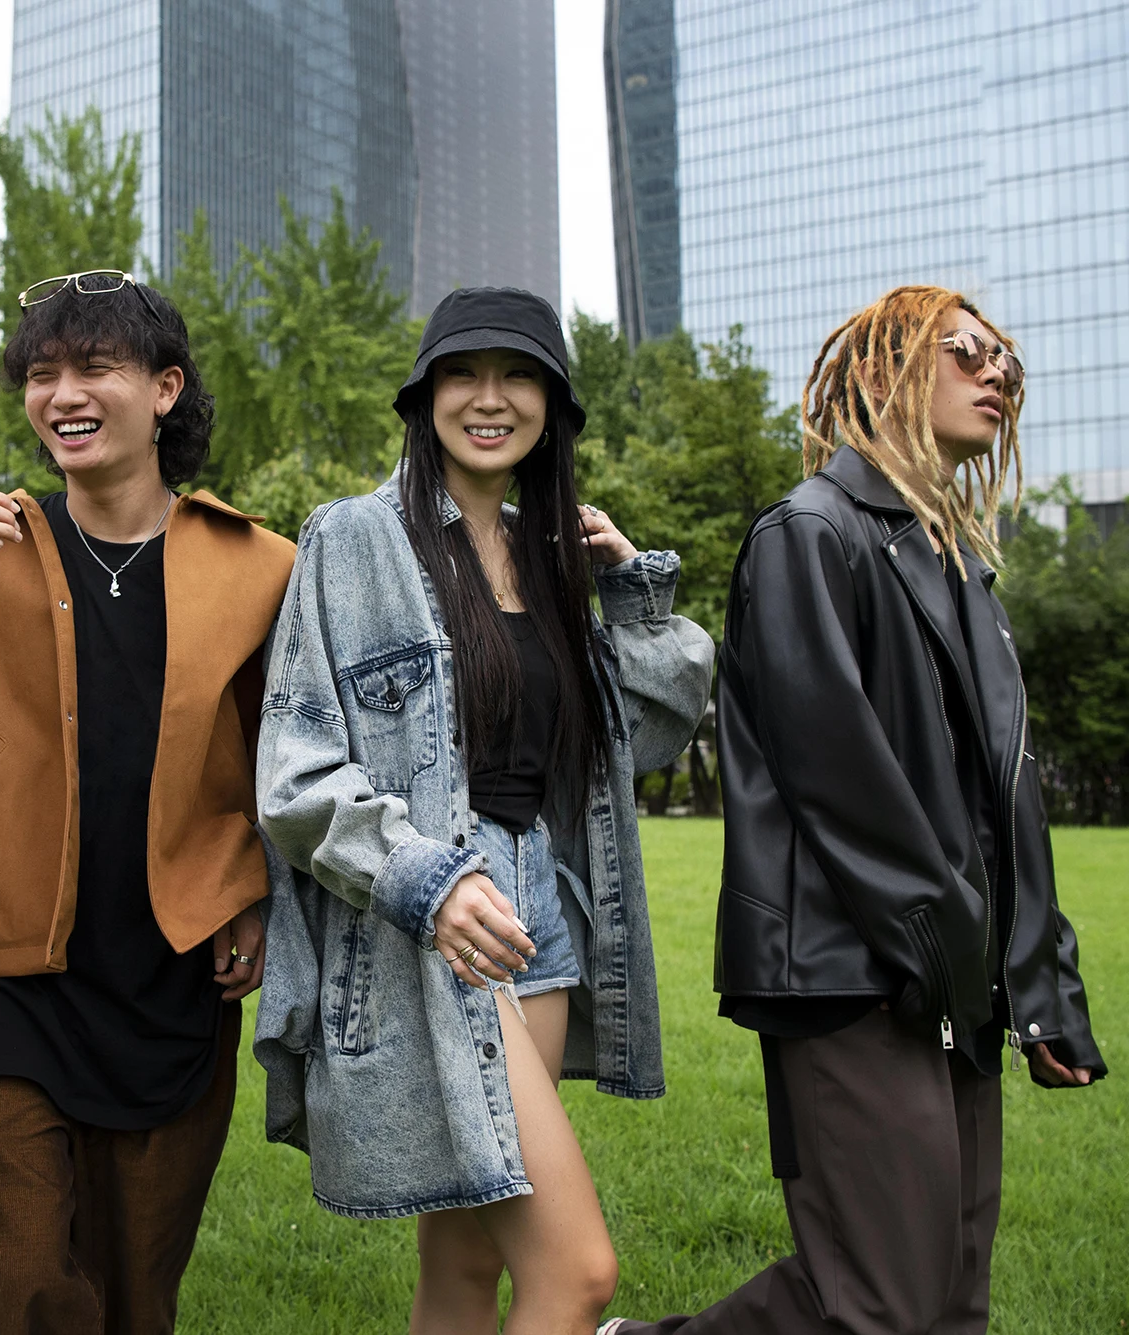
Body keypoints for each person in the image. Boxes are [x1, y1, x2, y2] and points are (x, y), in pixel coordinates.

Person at [601, 285, 1106, 1335]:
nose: (995, 373)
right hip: (845, 971)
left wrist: (1040, 985)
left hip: (945, 973)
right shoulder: (807, 537)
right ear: (879, 377)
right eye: (962, 352)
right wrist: (957, 953)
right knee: (879, 1299)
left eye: (1002, 357)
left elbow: (1002, 802)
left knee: (948, 1299)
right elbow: (838, 781)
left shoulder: (958, 564)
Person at [254, 286, 715, 1333]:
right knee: (577, 1273)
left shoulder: (548, 557)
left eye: (518, 376)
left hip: (535, 921)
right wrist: (425, 880)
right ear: (423, 398)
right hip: (428, 929)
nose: (489, 398)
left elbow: (635, 742)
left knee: (463, 1270)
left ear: (552, 405)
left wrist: (629, 600)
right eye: (463, 373)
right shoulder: (355, 539)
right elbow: (294, 768)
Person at [0, 270, 297, 1334]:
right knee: (18, 1280)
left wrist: (247, 888)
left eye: (92, 367)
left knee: (133, 1298)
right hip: (4, 981)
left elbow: (288, 763)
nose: (59, 391)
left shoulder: (260, 568)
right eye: (39, 372)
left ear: (163, 389)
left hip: (170, 980)